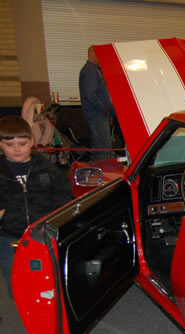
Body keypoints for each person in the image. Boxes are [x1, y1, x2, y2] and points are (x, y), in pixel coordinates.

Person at [0, 116, 73, 295]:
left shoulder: (46, 168)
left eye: (22, 143)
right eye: (10, 145)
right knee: (16, 283)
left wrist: (56, 220)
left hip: (42, 235)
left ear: (32, 141)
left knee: (46, 279)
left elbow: (63, 196)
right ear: (1, 144)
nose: (17, 149)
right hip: (9, 236)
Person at [79, 45, 114, 160]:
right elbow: (90, 94)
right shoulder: (91, 70)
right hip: (97, 115)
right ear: (93, 54)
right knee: (104, 147)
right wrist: (104, 110)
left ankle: (97, 171)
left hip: (97, 115)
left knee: (99, 147)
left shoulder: (93, 70)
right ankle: (104, 173)